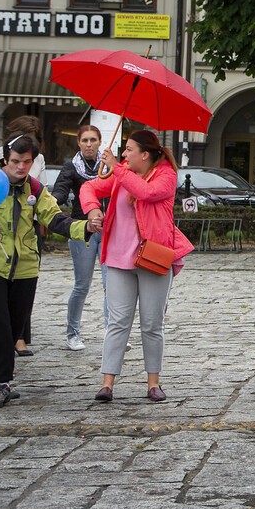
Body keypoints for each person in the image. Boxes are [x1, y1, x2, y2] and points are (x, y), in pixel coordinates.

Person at [0, 134, 89, 407]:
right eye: (16, 161)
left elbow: (55, 219)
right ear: (5, 160)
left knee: (15, 325)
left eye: (27, 162)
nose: (21, 167)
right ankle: (2, 384)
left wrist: (85, 227)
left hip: (25, 266)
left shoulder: (35, 189)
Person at [81, 130, 193, 402]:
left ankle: (153, 383)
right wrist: (93, 209)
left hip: (153, 257)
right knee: (117, 322)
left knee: (152, 324)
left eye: (129, 149)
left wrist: (117, 168)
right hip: (118, 259)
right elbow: (89, 187)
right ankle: (107, 384)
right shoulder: (122, 173)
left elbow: (146, 192)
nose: (123, 154)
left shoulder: (166, 175)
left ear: (145, 154)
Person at [0, 116, 48, 355]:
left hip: (25, 228)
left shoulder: (38, 159)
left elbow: (42, 189)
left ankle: (17, 338)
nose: (22, 164)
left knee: (21, 291)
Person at [52, 124, 108, 352]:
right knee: (82, 285)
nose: (89, 144)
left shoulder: (108, 165)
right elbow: (61, 190)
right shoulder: (71, 166)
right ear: (78, 142)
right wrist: (52, 202)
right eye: (85, 140)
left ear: (99, 142)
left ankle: (112, 333)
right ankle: (73, 333)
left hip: (109, 230)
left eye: (93, 140)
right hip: (82, 230)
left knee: (111, 286)